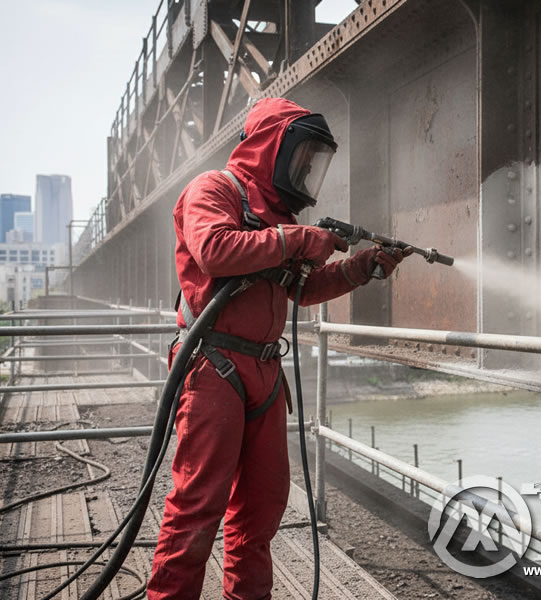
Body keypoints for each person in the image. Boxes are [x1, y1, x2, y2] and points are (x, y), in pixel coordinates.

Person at [147, 97, 408, 599]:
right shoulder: (214, 189)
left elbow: (301, 290)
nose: (307, 169)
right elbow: (215, 251)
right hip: (212, 366)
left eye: (313, 162)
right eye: (303, 156)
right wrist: (295, 239)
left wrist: (361, 267)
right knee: (196, 512)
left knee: (260, 510)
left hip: (264, 375)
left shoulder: (276, 219)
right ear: (273, 146)